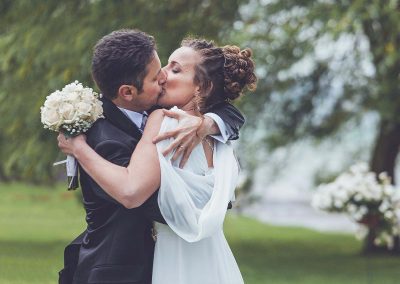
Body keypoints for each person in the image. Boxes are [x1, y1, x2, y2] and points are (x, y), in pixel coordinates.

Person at [58, 36, 257, 283]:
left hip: (169, 259)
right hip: (133, 265)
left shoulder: (167, 120)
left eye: (174, 69)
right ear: (127, 91)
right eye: (160, 71)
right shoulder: (219, 144)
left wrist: (78, 149)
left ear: (202, 88)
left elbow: (133, 191)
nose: (162, 75)